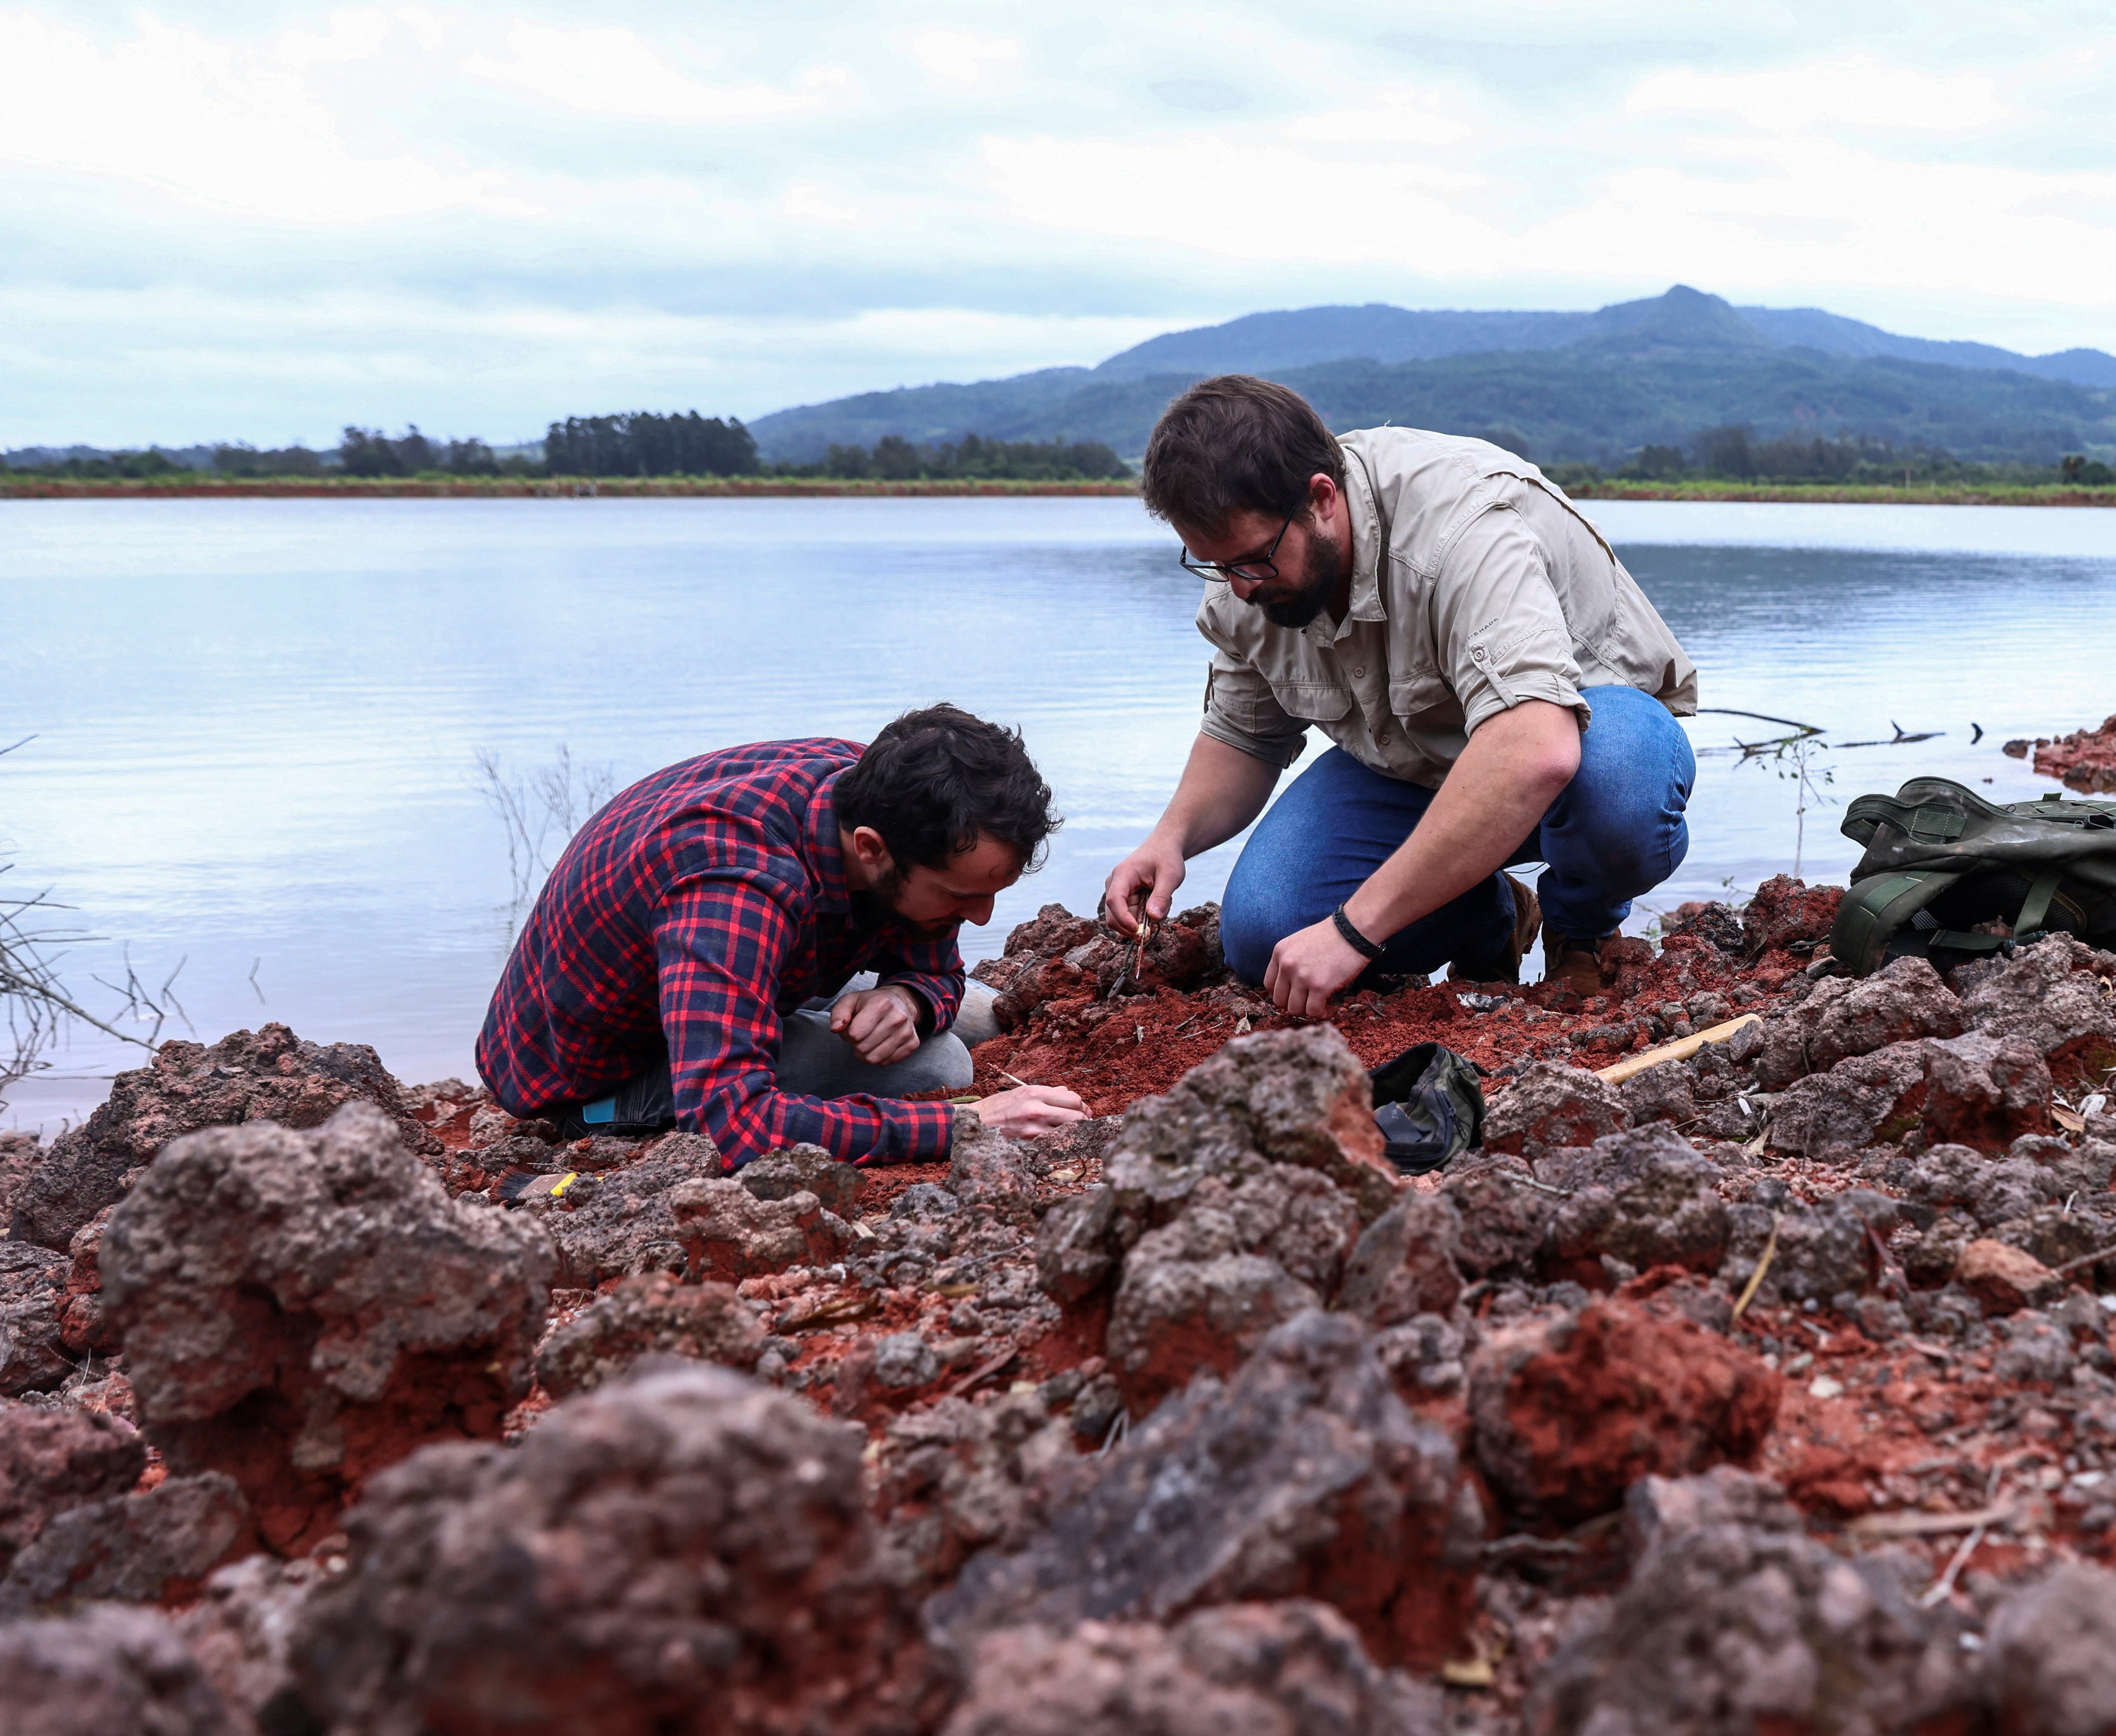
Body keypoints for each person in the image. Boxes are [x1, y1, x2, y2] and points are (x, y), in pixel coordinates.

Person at [1105, 376, 1700, 1016]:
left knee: (1619, 785)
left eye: (1251, 561)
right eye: (1217, 566)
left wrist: (1353, 929)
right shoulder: (1249, 571)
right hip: (1414, 770)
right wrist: (1170, 837)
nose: (1240, 588)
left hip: (1580, 749)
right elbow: (1244, 735)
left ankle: (1582, 930)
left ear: (1321, 498)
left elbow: (1537, 748)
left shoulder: (1461, 529)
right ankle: (1487, 918)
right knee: (1262, 939)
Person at [477, 704, 1089, 1168]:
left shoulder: (886, 795)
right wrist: (964, 1126)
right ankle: (598, 1119)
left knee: (977, 1013)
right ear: (872, 850)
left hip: (735, 969)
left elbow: (935, 969)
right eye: (961, 897)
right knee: (940, 1063)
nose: (981, 917)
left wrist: (907, 998)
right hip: (595, 1076)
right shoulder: (734, 886)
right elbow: (729, 1124)